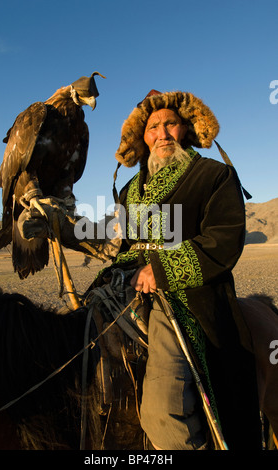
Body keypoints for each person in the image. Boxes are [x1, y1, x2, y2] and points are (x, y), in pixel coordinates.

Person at [99, 89, 263, 450]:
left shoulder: (214, 175)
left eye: (170, 123)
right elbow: (122, 245)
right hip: (129, 292)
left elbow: (225, 238)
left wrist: (161, 269)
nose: (162, 133)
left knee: (163, 412)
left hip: (189, 299)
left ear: (186, 128)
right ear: (141, 138)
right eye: (153, 127)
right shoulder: (128, 192)